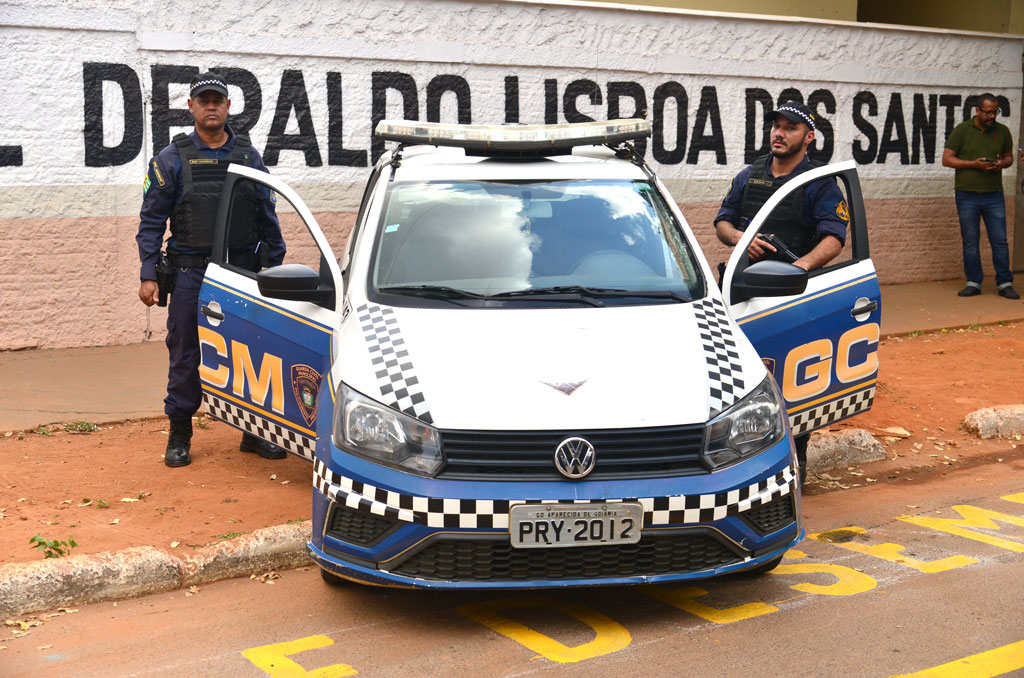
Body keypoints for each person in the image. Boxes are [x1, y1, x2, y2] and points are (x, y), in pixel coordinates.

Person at [136, 72, 287, 468]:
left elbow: (267, 215)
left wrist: (275, 267)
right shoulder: (171, 159)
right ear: (191, 107)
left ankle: (255, 433)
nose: (211, 105)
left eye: (217, 99)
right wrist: (148, 272)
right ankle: (180, 433)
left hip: (243, 273)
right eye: (203, 100)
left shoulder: (250, 157)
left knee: (254, 352)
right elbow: (151, 221)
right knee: (185, 351)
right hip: (190, 273)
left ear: (228, 106)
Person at [713, 101, 851, 482]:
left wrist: (800, 268)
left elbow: (834, 239)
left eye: (790, 128)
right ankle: (731, 463)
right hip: (738, 291)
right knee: (735, 379)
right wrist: (741, 239)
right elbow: (722, 222)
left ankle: (794, 467)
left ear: (808, 137)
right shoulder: (750, 175)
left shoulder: (818, 183)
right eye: (776, 125)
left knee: (788, 383)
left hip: (790, 298)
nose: (779, 132)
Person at [941, 94, 1018, 299]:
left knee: (1000, 241)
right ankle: (973, 282)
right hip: (967, 196)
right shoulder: (962, 130)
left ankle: (1005, 283)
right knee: (970, 241)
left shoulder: (1003, 132)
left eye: (995, 112)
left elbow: (1009, 157)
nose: (992, 116)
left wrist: (1001, 164)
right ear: (977, 111)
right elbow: (947, 159)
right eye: (988, 112)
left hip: (994, 195)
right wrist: (973, 164)